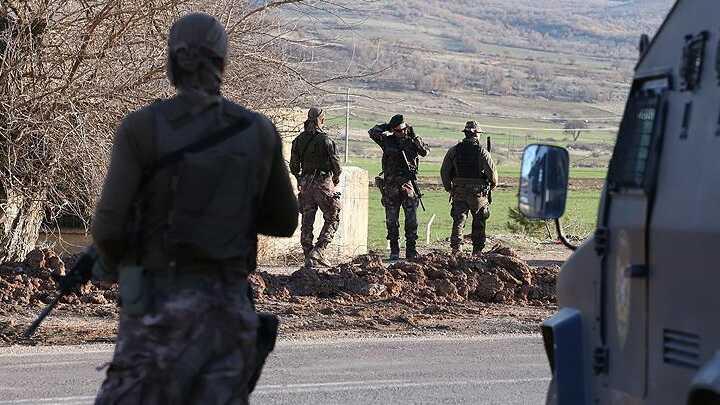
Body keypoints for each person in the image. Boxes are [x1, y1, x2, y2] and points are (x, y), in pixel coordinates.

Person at [91, 13, 298, 404]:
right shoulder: (258, 131)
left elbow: (108, 230)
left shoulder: (141, 128)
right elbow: (284, 221)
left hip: (157, 310)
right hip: (229, 313)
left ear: (171, 63)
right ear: (223, 63)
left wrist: (127, 261)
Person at [369, 114, 429, 260]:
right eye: (396, 131)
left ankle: (411, 250)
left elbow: (425, 152)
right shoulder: (387, 141)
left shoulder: (413, 141)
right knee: (391, 220)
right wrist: (388, 127)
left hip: (408, 185)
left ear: (406, 128)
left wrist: (416, 139)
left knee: (411, 221)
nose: (400, 133)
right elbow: (372, 131)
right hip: (391, 186)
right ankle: (394, 250)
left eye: (402, 130)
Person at [289, 107, 342, 267]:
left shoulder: (298, 140)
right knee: (333, 215)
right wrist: (336, 177)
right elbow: (336, 164)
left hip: (305, 184)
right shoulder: (326, 140)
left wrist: (300, 179)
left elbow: (293, 166)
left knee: (307, 220)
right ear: (322, 120)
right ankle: (318, 251)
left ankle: (308, 256)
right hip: (322, 182)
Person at [441, 121, 497, 256]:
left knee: (459, 220)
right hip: (478, 194)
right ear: (477, 134)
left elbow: (444, 172)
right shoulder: (482, 152)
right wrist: (491, 186)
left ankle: (456, 249)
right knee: (479, 221)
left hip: (459, 191)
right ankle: (477, 251)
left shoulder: (453, 150)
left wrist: (449, 188)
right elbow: (493, 175)